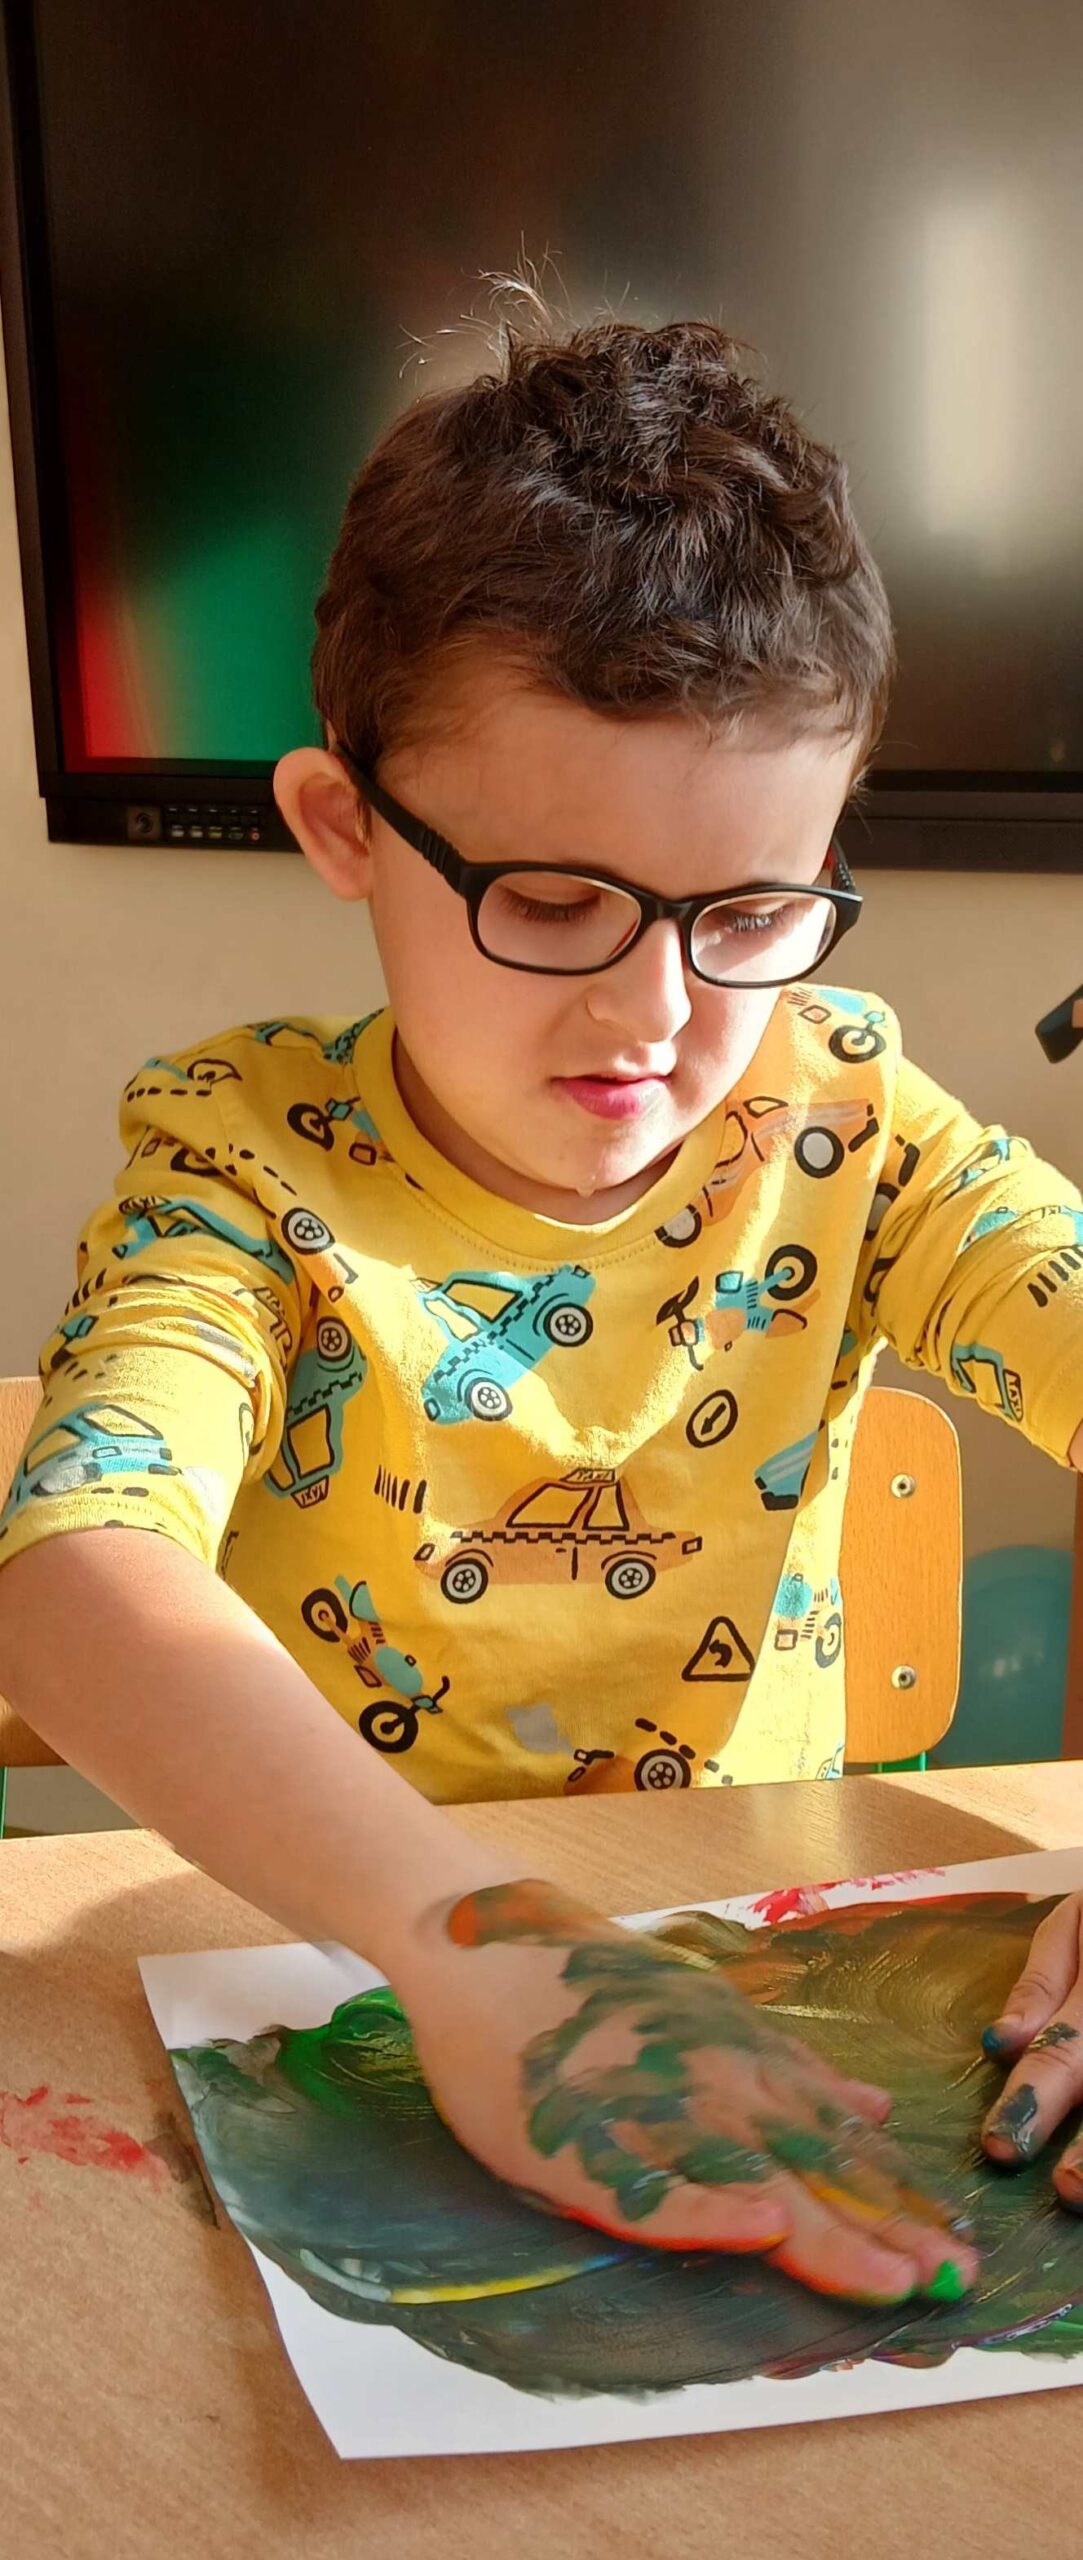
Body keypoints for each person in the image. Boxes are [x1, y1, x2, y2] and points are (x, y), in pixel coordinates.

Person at [1, 292, 1081, 2310]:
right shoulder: (241, 1170)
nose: (653, 1016)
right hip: (334, 1988)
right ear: (343, 827)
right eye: (556, 902)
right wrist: (464, 1937)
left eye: (748, 912)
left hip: (771, 1996)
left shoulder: (847, 1124)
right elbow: (72, 1582)